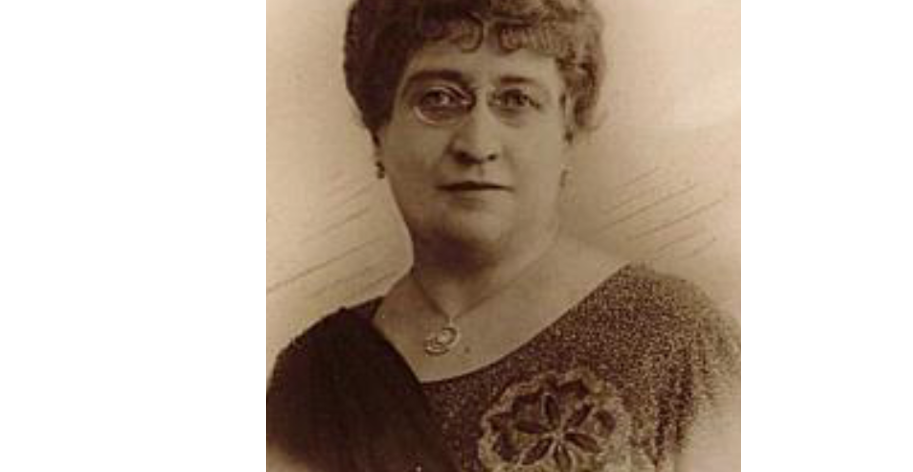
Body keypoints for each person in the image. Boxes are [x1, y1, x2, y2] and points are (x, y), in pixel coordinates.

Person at [266, 0, 740, 470]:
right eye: (438, 99)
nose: (477, 145)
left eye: (516, 100)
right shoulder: (314, 378)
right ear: (378, 136)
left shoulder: (674, 339)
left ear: (567, 134)